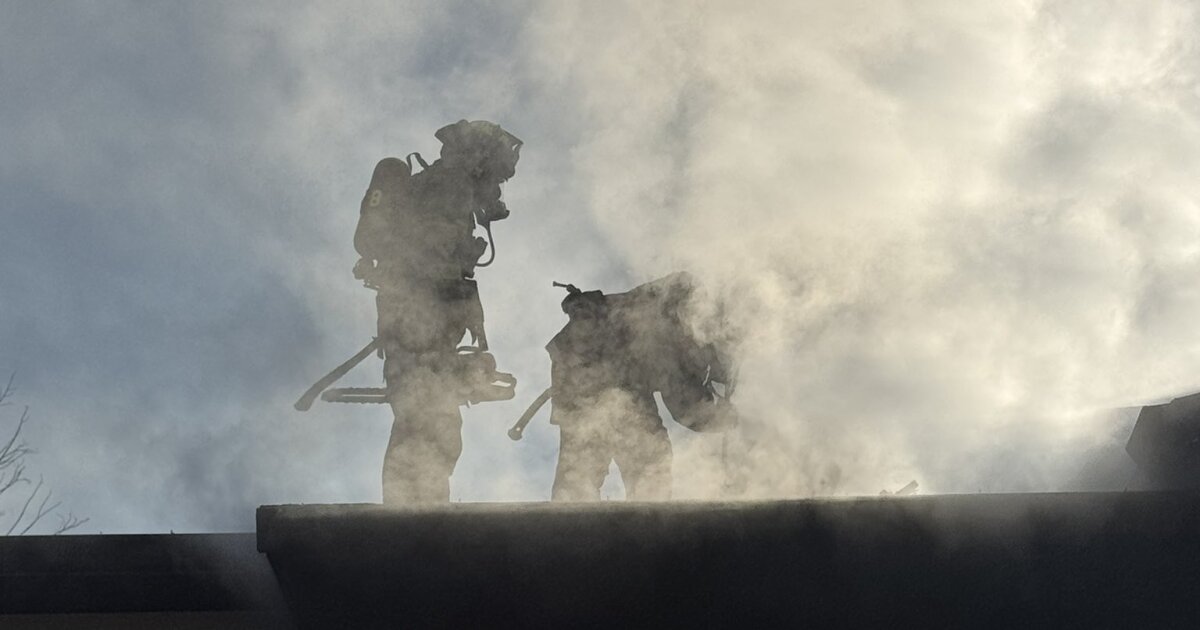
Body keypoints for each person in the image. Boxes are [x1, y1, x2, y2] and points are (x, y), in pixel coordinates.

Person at [353, 120, 522, 503]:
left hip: (421, 324)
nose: (498, 188)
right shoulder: (449, 186)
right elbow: (434, 264)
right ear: (477, 159)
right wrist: (462, 306)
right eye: (496, 175)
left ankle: (418, 511)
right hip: (418, 322)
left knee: (430, 421)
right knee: (427, 423)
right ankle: (413, 518)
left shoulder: (445, 186)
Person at [526, 273, 739, 501]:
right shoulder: (677, 323)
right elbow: (684, 404)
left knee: (579, 478)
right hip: (605, 386)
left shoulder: (681, 305)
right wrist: (722, 418)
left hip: (584, 386)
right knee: (648, 465)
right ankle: (644, 527)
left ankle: (566, 526)